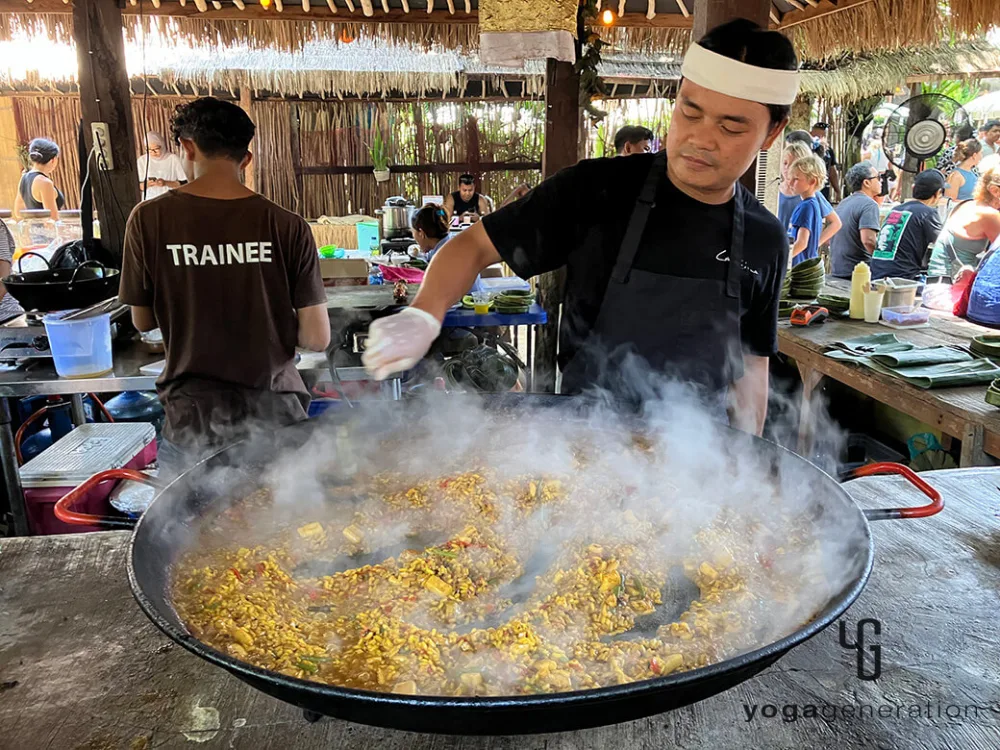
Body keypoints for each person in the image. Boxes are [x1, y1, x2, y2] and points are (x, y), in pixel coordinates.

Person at [364, 18, 801, 435]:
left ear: (771, 132)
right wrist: (425, 312)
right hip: (582, 449)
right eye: (690, 112)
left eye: (730, 127)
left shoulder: (764, 239)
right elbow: (474, 245)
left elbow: (752, 362)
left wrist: (750, 460)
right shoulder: (595, 190)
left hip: (694, 464)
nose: (702, 138)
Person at [119, 97, 331, 477]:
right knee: (287, 529)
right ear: (245, 160)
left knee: (191, 531)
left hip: (194, 420)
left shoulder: (148, 219)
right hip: (275, 413)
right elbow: (316, 338)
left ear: (186, 147)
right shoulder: (287, 224)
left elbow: (142, 321)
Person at [926, 156, 1000, 280]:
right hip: (949, 289)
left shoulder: (966, 205)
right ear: (995, 191)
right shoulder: (989, 215)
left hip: (935, 283)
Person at [870, 169, 945, 281]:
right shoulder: (928, 213)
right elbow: (943, 244)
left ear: (913, 188)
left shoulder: (895, 210)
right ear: (938, 193)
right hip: (902, 279)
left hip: (876, 275)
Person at [777, 141, 840, 249]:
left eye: (793, 164)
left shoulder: (811, 194)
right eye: (785, 163)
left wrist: (815, 244)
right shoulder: (774, 190)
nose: (787, 168)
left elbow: (836, 223)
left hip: (797, 252)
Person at [829, 162, 882, 279]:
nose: (881, 181)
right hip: (857, 272)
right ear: (866, 183)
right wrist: (883, 262)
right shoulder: (869, 205)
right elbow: (868, 240)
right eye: (878, 177)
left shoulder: (844, 202)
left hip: (838, 270)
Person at [787, 154, 826, 266]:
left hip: (800, 268)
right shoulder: (812, 204)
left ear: (812, 182)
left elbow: (802, 243)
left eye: (796, 179)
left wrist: (784, 261)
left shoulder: (806, 206)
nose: (790, 183)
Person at [13, 138, 64, 221]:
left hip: (33, 231)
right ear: (53, 160)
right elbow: (52, 219)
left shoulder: (24, 178)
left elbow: (18, 212)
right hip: (48, 233)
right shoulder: (45, 183)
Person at [138, 131, 188, 201]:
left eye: (156, 149)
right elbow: (137, 186)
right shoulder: (142, 161)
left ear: (162, 145)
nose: (153, 152)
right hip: (149, 201)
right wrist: (146, 184)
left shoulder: (173, 159)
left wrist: (166, 183)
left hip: (170, 200)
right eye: (148, 149)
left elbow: (184, 183)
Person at [810, 122, 840, 201]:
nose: (820, 139)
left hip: (823, 191)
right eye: (817, 136)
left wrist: (838, 191)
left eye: (823, 136)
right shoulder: (807, 149)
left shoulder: (829, 151)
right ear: (810, 134)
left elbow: (832, 172)